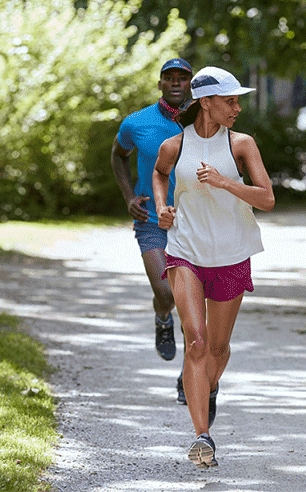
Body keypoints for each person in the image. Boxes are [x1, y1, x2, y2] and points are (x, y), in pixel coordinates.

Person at [153, 66, 275, 469]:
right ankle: (202, 437)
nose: (237, 108)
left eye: (238, 100)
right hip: (186, 251)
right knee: (197, 343)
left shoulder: (242, 144)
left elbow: (267, 199)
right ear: (206, 102)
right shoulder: (175, 145)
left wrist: (226, 183)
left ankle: (209, 385)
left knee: (219, 348)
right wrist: (162, 207)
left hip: (232, 253)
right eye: (230, 100)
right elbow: (159, 174)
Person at [111, 57, 192, 403]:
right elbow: (118, 155)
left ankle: (189, 378)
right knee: (168, 293)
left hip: (194, 223)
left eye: (182, 79)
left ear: (190, 84)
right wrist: (129, 196)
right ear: (160, 84)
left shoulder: (205, 121)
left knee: (191, 304)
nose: (175, 84)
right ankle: (162, 316)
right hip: (152, 221)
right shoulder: (136, 122)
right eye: (169, 78)